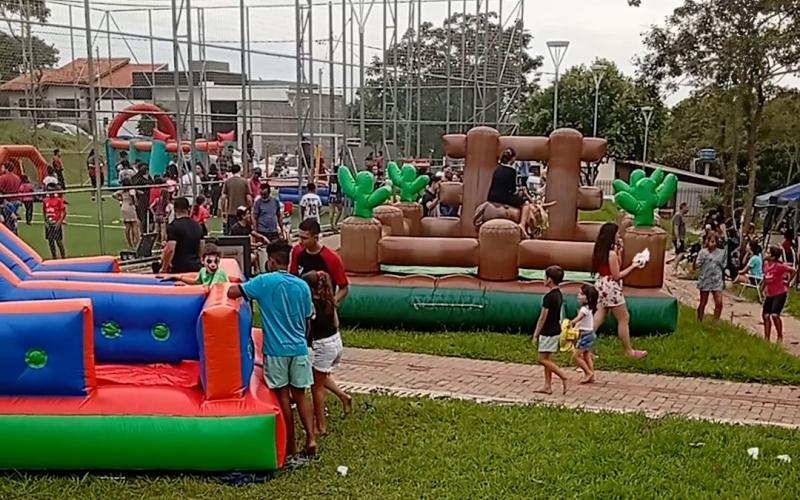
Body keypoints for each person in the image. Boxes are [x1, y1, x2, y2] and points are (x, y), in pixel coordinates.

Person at [227, 240, 317, 457]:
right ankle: (312, 439)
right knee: (302, 394)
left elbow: (232, 292)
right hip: (299, 349)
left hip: (276, 351)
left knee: (283, 396)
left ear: (272, 261)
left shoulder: (264, 282)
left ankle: (291, 445)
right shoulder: (302, 285)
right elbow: (307, 319)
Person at [301, 270, 352, 436]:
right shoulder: (329, 299)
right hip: (336, 341)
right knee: (319, 376)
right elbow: (336, 322)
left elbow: (306, 326)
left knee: (316, 388)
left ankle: (321, 426)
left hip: (323, 345)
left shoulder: (311, 305)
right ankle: (344, 396)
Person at [591, 222, 647, 358]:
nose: (619, 236)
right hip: (610, 287)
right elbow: (617, 275)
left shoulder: (601, 251)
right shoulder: (611, 254)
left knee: (598, 318)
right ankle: (629, 351)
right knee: (624, 318)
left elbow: (615, 266)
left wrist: (619, 251)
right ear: (612, 236)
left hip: (601, 284)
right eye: (617, 234)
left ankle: (584, 347)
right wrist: (633, 266)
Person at [291, 218, 349, 306]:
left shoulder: (331, 258)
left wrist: (333, 302)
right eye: (299, 237)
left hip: (323, 308)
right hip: (302, 306)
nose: (300, 241)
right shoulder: (297, 251)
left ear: (316, 238)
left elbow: (344, 288)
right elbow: (292, 278)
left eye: (304, 238)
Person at [533, 265, 570, 395]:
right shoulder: (559, 294)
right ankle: (547, 385)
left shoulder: (548, 297)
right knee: (547, 359)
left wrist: (536, 334)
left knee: (542, 359)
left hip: (547, 331)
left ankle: (562, 376)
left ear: (549, 280)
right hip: (556, 329)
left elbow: (543, 317)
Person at [486, 148, 532, 233]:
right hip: (503, 197)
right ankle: (522, 224)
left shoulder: (497, 169)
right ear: (513, 159)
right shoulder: (511, 171)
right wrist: (520, 191)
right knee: (526, 204)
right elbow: (513, 190)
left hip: (491, 197)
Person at [761, 245, 798, 344]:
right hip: (770, 293)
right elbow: (766, 277)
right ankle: (766, 337)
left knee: (775, 315)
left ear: (773, 257)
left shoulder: (779, 266)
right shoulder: (766, 265)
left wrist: (788, 282)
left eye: (768, 253)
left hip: (780, 293)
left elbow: (794, 271)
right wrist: (763, 288)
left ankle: (779, 336)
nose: (766, 254)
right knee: (765, 315)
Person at [159, 197, 204, 274]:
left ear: (175, 209)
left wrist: (164, 268)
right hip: (196, 267)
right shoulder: (197, 226)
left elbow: (170, 249)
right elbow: (202, 247)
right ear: (188, 209)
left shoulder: (173, 226)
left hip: (179, 268)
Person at [694, 232, 726, 324]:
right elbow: (697, 265)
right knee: (703, 302)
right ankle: (699, 320)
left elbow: (723, 266)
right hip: (705, 279)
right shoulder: (703, 253)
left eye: (715, 241)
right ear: (707, 241)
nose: (714, 244)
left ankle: (715, 323)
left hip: (717, 279)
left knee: (719, 302)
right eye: (711, 241)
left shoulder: (721, 253)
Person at [570, 284, 599, 384]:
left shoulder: (584, 310)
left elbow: (579, 318)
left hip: (585, 336)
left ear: (589, 298)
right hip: (590, 335)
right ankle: (592, 374)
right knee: (586, 356)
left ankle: (587, 372)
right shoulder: (589, 308)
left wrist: (570, 323)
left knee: (576, 356)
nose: (578, 295)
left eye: (582, 294)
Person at [220, 164, 251, 234]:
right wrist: (250, 208)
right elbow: (249, 198)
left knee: (232, 234)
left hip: (231, 212)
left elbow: (223, 197)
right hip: (243, 212)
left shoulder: (228, 182)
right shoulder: (244, 181)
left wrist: (223, 211)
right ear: (240, 170)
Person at [42, 182, 66, 259]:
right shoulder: (45, 200)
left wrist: (59, 222)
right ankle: (54, 257)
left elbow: (64, 212)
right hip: (49, 224)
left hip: (56, 223)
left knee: (58, 241)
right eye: (49, 190)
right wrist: (45, 222)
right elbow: (44, 212)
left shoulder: (58, 200)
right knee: (50, 241)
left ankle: (63, 257)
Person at [114, 178, 140, 249]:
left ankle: (129, 242)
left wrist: (121, 199)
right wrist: (134, 202)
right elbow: (133, 196)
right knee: (134, 224)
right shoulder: (131, 190)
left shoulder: (122, 190)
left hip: (124, 206)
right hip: (130, 206)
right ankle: (137, 242)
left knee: (127, 226)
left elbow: (114, 194)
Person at [671, 202, 688, 271]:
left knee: (677, 253)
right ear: (683, 207)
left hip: (680, 238)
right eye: (686, 207)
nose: (688, 209)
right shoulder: (678, 216)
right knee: (681, 253)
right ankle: (674, 268)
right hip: (678, 238)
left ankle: (675, 269)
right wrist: (678, 239)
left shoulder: (681, 216)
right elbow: (676, 227)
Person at [328, 165, 343, 232]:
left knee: (332, 210)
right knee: (340, 209)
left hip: (331, 194)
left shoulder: (331, 177)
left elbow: (329, 184)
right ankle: (335, 223)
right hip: (337, 194)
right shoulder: (339, 177)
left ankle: (332, 225)